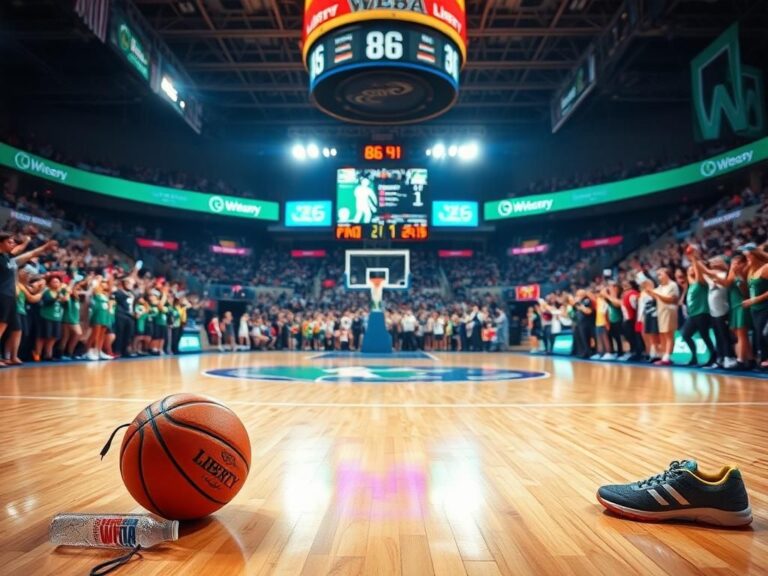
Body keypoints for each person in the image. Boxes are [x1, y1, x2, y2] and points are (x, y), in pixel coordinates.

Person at [0, 233, 56, 368]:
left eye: (14, 242)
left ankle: (12, 356)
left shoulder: (10, 259)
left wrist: (45, 247)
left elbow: (30, 254)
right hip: (2, 295)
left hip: (10, 297)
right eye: (10, 242)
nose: (13, 244)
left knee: (12, 328)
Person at [680, 258, 717, 367]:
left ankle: (713, 355)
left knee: (705, 335)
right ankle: (694, 357)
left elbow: (698, 273)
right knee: (685, 334)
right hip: (693, 314)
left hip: (702, 313)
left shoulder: (701, 282)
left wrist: (694, 259)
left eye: (693, 268)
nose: (690, 269)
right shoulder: (691, 285)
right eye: (689, 269)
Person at [741, 243, 768, 368]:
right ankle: (763, 359)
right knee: (759, 335)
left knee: (764, 333)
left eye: (748, 257)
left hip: (765, 306)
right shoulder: (751, 270)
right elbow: (747, 290)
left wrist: (755, 299)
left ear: (755, 256)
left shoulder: (766, 268)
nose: (746, 260)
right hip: (754, 309)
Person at [646, 268, 679, 366]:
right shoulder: (661, 287)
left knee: (668, 334)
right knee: (663, 334)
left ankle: (668, 356)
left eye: (660, 274)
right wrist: (649, 291)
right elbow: (653, 296)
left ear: (667, 274)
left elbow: (670, 299)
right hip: (661, 312)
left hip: (669, 311)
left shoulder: (672, 285)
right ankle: (664, 355)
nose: (658, 276)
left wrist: (654, 292)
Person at [34, 275, 69, 362]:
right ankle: (37, 353)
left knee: (53, 337)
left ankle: (48, 354)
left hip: (56, 317)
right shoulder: (46, 292)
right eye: (54, 282)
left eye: (57, 282)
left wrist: (65, 298)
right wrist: (57, 296)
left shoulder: (61, 293)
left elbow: (65, 305)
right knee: (42, 336)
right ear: (49, 283)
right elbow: (47, 302)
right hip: (45, 316)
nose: (56, 283)